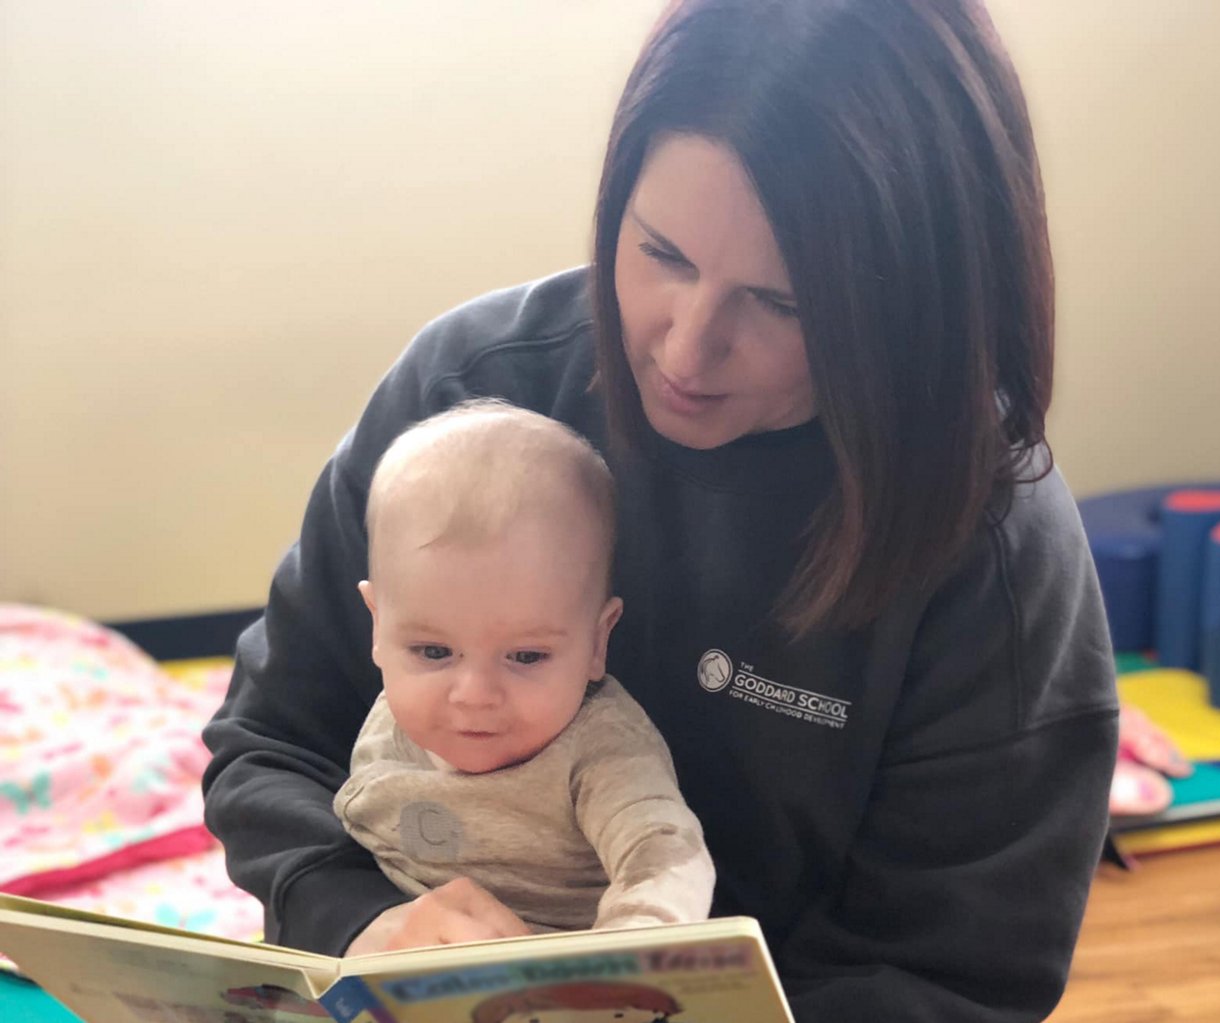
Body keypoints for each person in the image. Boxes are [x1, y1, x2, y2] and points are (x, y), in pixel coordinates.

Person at [202, 1, 1120, 1019]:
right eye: (661, 255)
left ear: (913, 304)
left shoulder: (984, 546)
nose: (683, 352)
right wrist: (354, 917)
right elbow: (268, 743)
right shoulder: (464, 400)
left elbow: (953, 976)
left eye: (781, 305)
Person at [334, 402, 715, 934]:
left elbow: (666, 856)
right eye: (433, 652)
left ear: (597, 643)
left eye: (526, 656)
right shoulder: (392, 726)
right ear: (378, 627)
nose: (473, 695)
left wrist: (630, 950)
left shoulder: (601, 750)